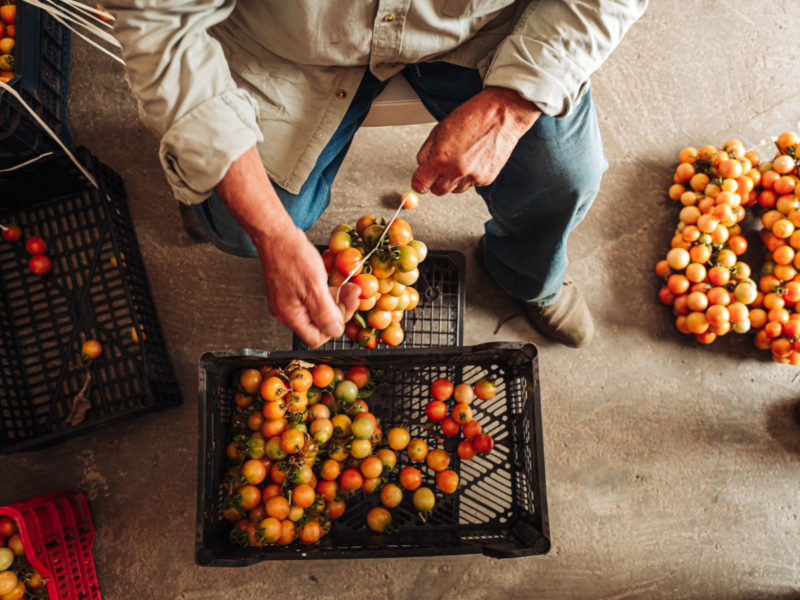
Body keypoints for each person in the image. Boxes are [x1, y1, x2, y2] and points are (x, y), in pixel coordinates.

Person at [109, 0, 648, 348]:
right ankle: (210, 197)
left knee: (563, 178)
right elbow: (159, 27)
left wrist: (512, 104)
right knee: (238, 222)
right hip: (289, 39)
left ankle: (528, 276)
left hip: (477, 27)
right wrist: (270, 230)